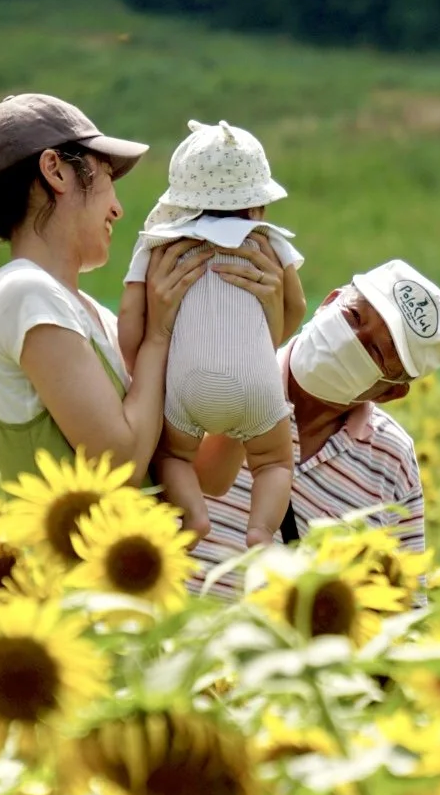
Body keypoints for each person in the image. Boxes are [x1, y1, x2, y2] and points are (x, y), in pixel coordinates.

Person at [0, 93, 285, 484]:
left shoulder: (92, 316)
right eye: (107, 178)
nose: (118, 208)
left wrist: (258, 340)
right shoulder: (24, 294)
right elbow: (122, 464)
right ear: (55, 171)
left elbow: (208, 477)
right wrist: (157, 336)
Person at [188, 261, 440, 596]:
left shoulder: (391, 460)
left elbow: (403, 605)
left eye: (375, 351)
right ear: (329, 301)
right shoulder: (211, 371)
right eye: (354, 316)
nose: (353, 339)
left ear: (390, 393)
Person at [119, 120, 307, 546]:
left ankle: (194, 519)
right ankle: (260, 531)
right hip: (257, 386)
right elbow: (295, 306)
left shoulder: (158, 245)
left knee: (173, 456)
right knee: (274, 463)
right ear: (258, 206)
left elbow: (130, 318)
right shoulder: (269, 242)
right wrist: (261, 343)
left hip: (187, 386)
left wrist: (139, 364)